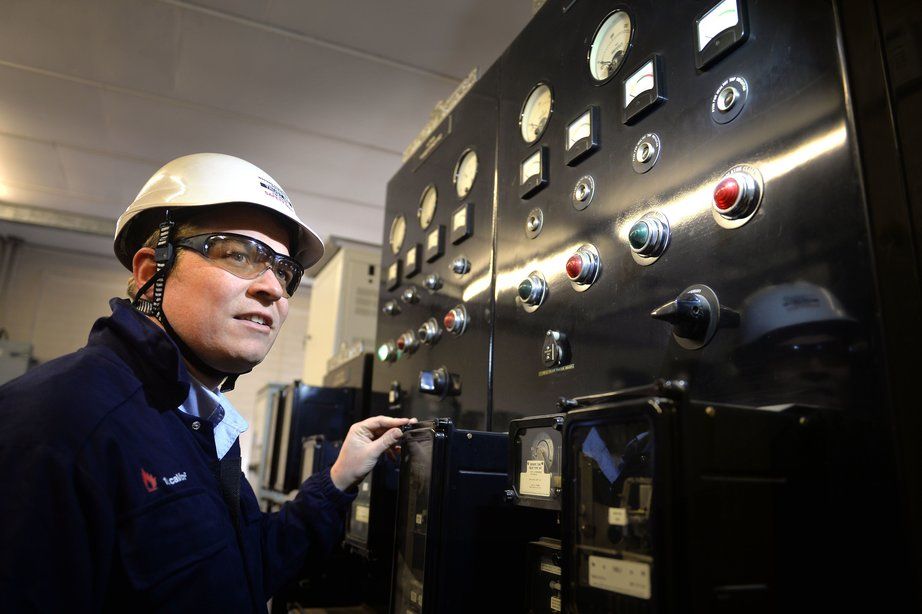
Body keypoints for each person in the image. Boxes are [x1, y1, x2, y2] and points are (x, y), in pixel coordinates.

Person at [0, 153, 410, 611]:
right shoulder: (55, 422)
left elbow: (245, 566)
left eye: (285, 271)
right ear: (150, 272)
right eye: (238, 254)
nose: (274, 288)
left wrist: (337, 480)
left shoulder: (199, 420)